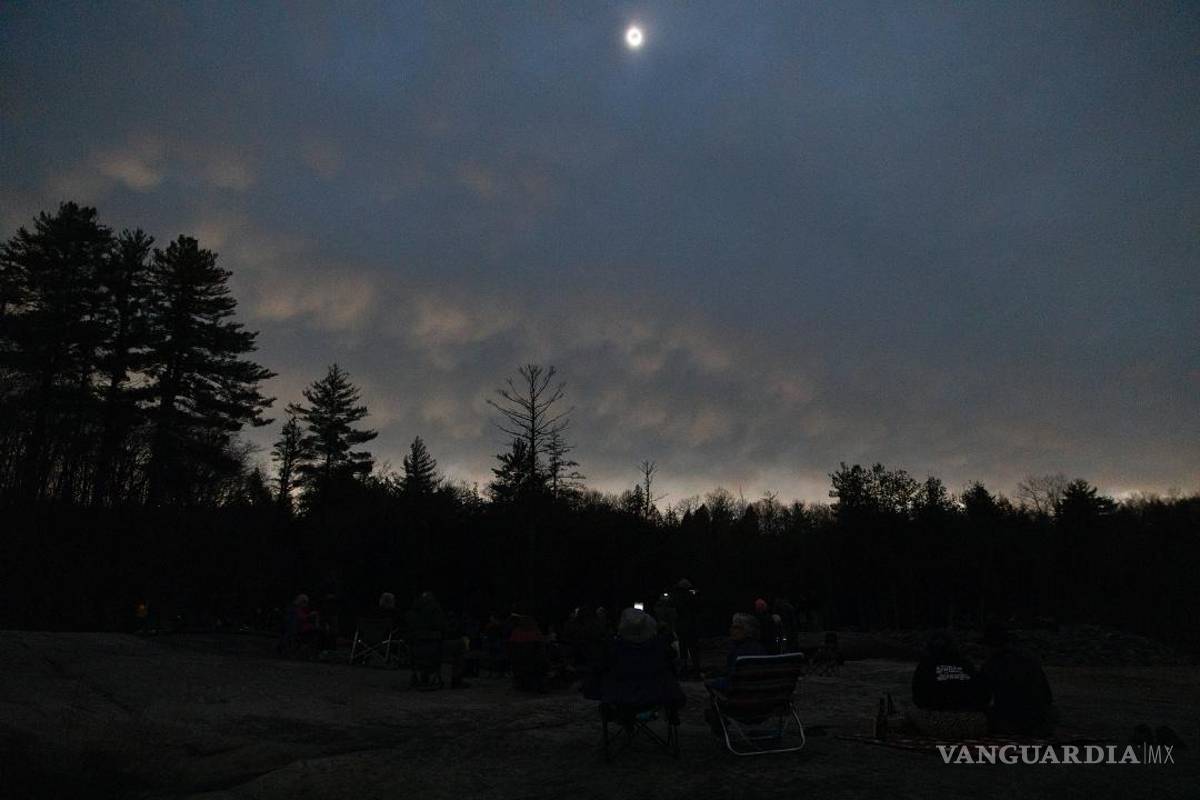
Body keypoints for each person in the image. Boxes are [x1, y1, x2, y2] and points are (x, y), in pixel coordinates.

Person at [585, 608, 685, 721]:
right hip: (657, 694)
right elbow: (672, 658)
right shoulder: (658, 646)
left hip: (619, 696)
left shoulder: (614, 647)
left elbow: (600, 667)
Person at [907, 631, 989, 737]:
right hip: (974, 724)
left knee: (910, 710)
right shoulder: (967, 664)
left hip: (937, 725)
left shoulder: (925, 665)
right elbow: (983, 696)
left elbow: (918, 699)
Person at [979, 623, 1055, 735]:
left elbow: (983, 697)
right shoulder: (1029, 659)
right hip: (1038, 719)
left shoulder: (991, 665)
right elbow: (1047, 695)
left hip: (1011, 720)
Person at [673, 580, 701, 676]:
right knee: (692, 649)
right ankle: (695, 669)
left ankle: (686, 669)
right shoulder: (691, 597)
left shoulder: (678, 598)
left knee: (684, 649)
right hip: (690, 626)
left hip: (684, 626)